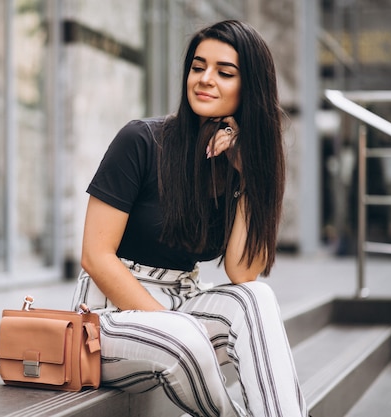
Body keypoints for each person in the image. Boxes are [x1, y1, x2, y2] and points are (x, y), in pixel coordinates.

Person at [71, 20, 308, 417]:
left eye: (224, 72)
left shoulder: (240, 166)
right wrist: (168, 323)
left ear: (251, 87)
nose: (205, 79)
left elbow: (242, 272)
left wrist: (249, 175)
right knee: (184, 335)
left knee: (257, 299)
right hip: (108, 319)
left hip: (183, 305)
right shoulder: (141, 141)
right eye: (198, 67)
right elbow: (95, 256)